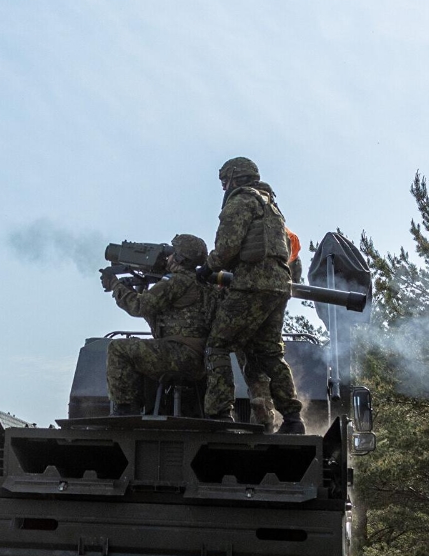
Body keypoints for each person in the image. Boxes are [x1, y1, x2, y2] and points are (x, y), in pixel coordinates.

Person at [200, 157, 305, 433]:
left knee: (218, 344)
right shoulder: (272, 207)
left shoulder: (241, 202)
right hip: (279, 288)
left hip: (251, 285)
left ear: (234, 178)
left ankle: (220, 415)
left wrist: (205, 269)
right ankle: (293, 420)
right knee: (270, 352)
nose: (224, 187)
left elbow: (227, 248)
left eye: (225, 181)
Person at [101, 234, 218, 416]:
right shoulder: (204, 284)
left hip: (180, 355)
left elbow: (140, 307)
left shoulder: (176, 282)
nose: (168, 257)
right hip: (201, 360)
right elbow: (156, 314)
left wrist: (115, 285)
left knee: (118, 349)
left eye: (172, 253)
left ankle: (125, 409)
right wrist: (135, 288)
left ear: (179, 258)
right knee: (144, 350)